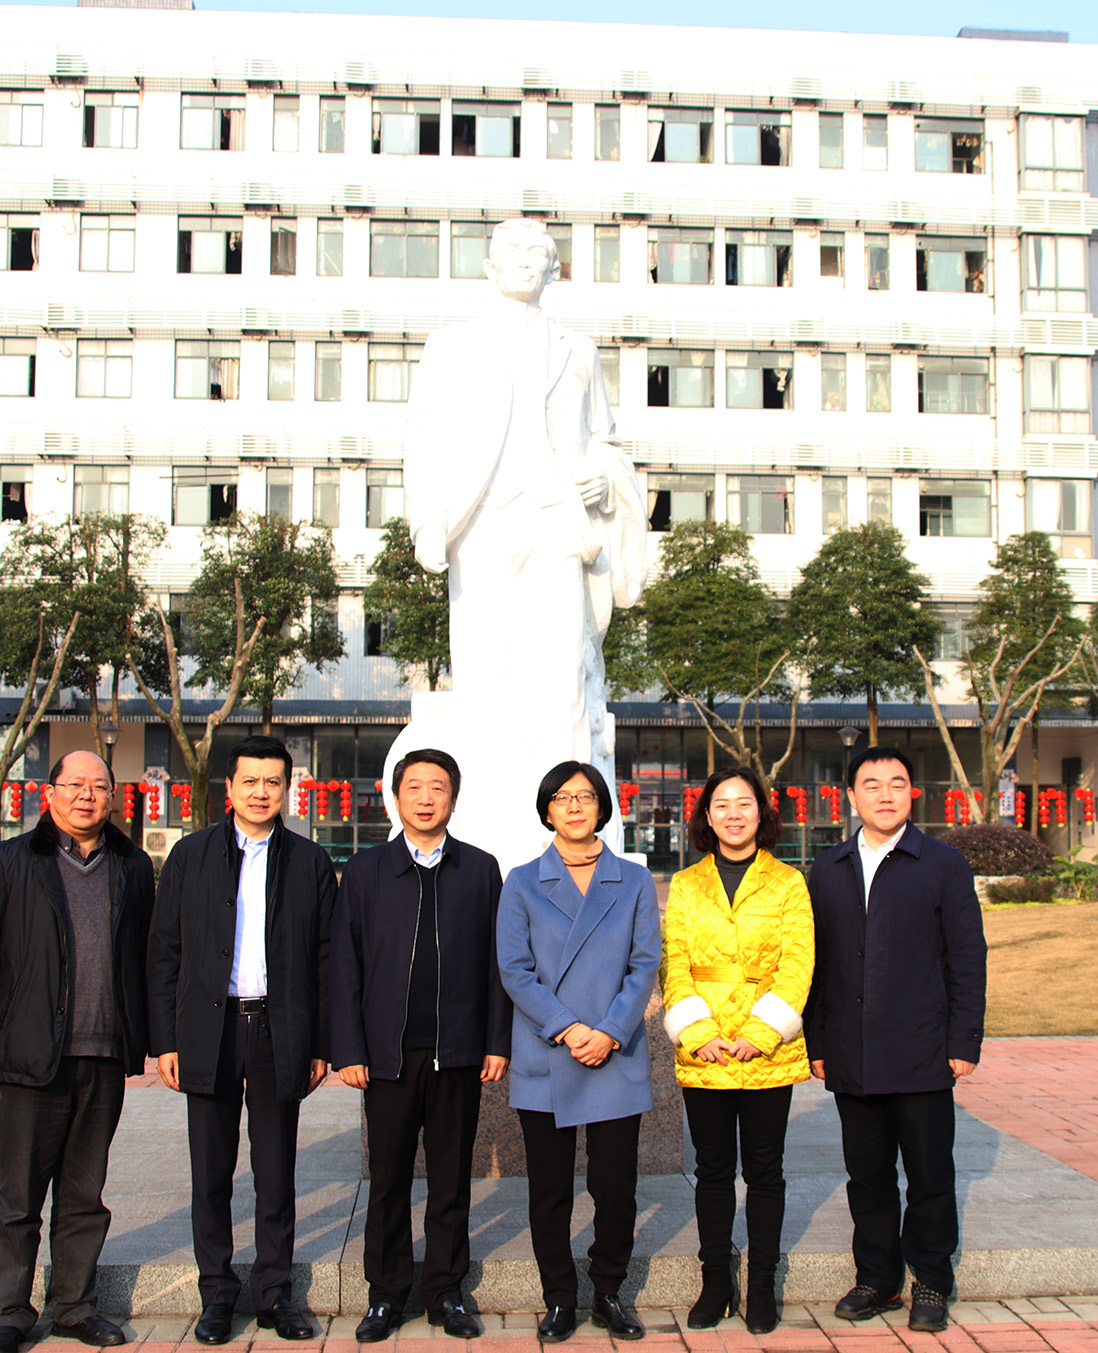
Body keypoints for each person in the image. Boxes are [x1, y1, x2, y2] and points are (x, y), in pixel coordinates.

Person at [391, 217, 646, 870]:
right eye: (513, 250)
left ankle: (565, 829)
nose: (526, 260)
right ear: (490, 266)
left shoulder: (579, 351)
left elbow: (605, 440)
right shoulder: (451, 346)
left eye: (540, 252)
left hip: (557, 521)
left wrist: (601, 474)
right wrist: (426, 523)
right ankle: (485, 827)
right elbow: (424, 437)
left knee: (561, 678)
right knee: (486, 676)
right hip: (479, 523)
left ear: (556, 269)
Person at [0, 750, 153, 1352]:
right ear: (50, 792)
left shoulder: (132, 866)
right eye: (75, 785)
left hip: (103, 1054)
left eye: (99, 786)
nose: (87, 796)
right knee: (18, 1195)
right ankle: (9, 1313)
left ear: (113, 797)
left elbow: (148, 956)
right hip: (28, 1054)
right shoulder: (9, 862)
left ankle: (73, 1306)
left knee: (85, 1195)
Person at [148, 736, 338, 1346]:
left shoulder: (309, 861)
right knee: (211, 1172)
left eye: (272, 782)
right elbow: (164, 951)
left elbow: (327, 960)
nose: (261, 792)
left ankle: (275, 1294)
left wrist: (321, 1043)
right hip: (211, 1029)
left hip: (279, 1031)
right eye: (249, 781)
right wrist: (166, 1040)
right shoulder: (191, 856)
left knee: (275, 1172)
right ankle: (217, 1295)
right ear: (227, 788)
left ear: (288, 789)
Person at [328, 749, 512, 1342]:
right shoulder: (366, 870)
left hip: (458, 1053)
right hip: (388, 1057)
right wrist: (349, 1049)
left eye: (438, 788)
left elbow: (498, 964)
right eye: (415, 787)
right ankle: (385, 1295)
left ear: (453, 799)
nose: (426, 798)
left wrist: (496, 1042)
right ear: (395, 797)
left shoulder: (480, 869)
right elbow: (345, 965)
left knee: (451, 1180)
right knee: (387, 1182)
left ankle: (445, 1292)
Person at [805, 746, 985, 1334]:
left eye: (897, 783)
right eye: (872, 784)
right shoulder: (827, 869)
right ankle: (877, 1278)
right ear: (850, 797)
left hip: (922, 1049)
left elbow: (967, 957)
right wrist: (817, 1042)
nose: (885, 794)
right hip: (851, 1051)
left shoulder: (942, 864)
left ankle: (930, 1279)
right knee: (868, 1177)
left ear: (913, 793)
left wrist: (964, 1040)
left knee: (930, 1175)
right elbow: (816, 965)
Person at [496, 760, 660, 1342]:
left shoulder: (633, 880)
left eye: (585, 796)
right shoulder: (521, 881)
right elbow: (515, 970)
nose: (573, 806)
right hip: (548, 1050)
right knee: (550, 1190)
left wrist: (609, 1031)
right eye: (562, 797)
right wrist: (568, 1029)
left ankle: (608, 1290)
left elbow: (644, 963)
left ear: (602, 807)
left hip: (615, 1050)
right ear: (547, 809)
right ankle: (560, 1298)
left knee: (615, 1187)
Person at [661, 766, 814, 1335]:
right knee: (713, 1170)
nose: (732, 813)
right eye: (720, 804)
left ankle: (763, 1285)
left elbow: (798, 962)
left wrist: (763, 1031)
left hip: (766, 1050)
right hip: (706, 1051)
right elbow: (674, 963)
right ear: (706, 815)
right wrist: (699, 1034)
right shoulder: (685, 885)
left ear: (762, 812)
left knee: (766, 1170)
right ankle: (716, 1282)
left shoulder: (789, 883)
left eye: (743, 803)